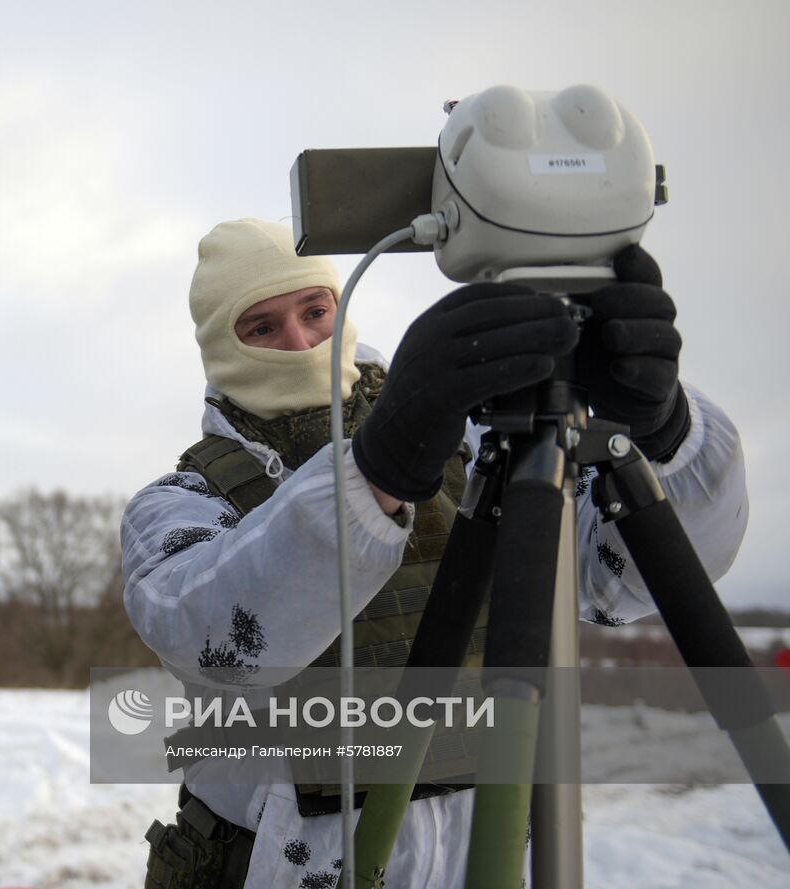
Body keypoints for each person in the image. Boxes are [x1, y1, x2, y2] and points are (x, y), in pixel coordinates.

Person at [121, 218, 749, 889]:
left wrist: (662, 432)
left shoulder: (476, 445)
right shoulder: (180, 502)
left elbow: (616, 582)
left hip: (491, 851)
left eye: (314, 311)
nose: (300, 342)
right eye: (262, 327)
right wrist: (377, 470)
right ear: (221, 346)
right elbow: (213, 636)